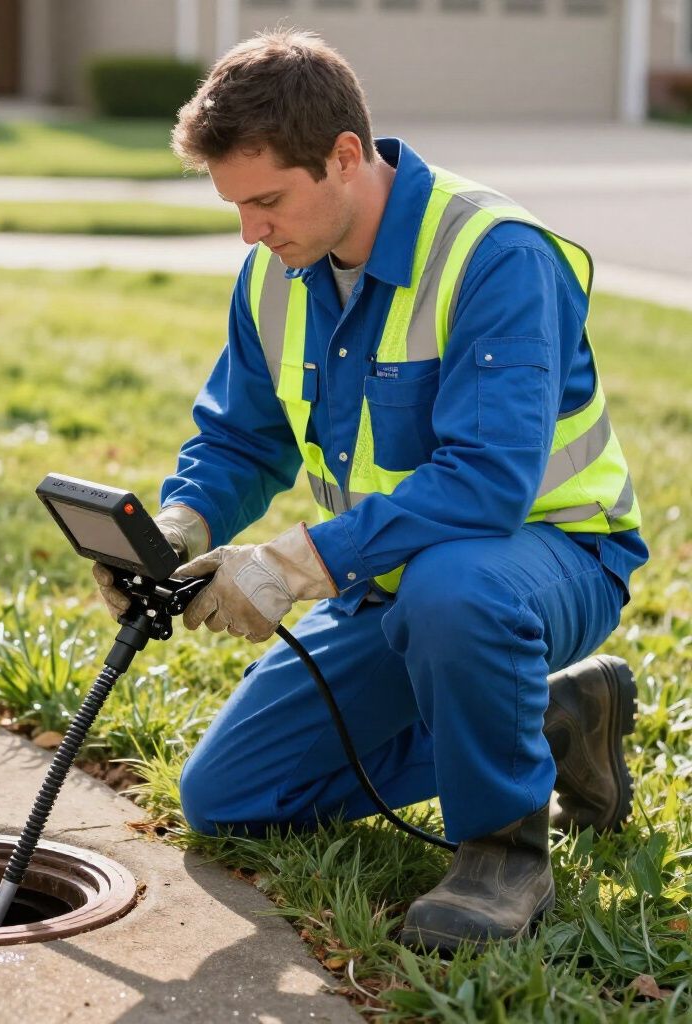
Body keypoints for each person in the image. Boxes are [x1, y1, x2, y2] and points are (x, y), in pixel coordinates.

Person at [93, 29, 648, 954]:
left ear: (345, 157)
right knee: (229, 797)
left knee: (455, 589)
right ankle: (547, 723)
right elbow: (241, 435)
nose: (251, 232)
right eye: (236, 207)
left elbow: (485, 484)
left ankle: (504, 851)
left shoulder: (494, 256)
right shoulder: (277, 275)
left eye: (267, 200)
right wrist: (181, 525)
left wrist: (297, 562)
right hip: (390, 579)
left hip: (552, 558)